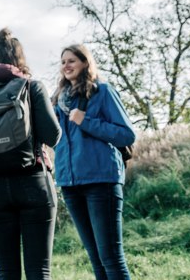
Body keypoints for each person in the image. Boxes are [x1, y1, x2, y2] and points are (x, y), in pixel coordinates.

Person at [0, 28, 61, 280]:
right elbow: (52, 136)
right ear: (19, 59)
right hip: (33, 181)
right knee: (39, 271)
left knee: (6, 274)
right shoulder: (31, 87)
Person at [52, 44, 136, 280]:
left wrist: (86, 120)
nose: (66, 66)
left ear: (85, 63)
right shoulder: (58, 100)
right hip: (70, 183)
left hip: (101, 180)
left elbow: (126, 134)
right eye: (63, 61)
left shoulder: (103, 92)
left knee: (111, 257)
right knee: (95, 258)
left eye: (72, 61)